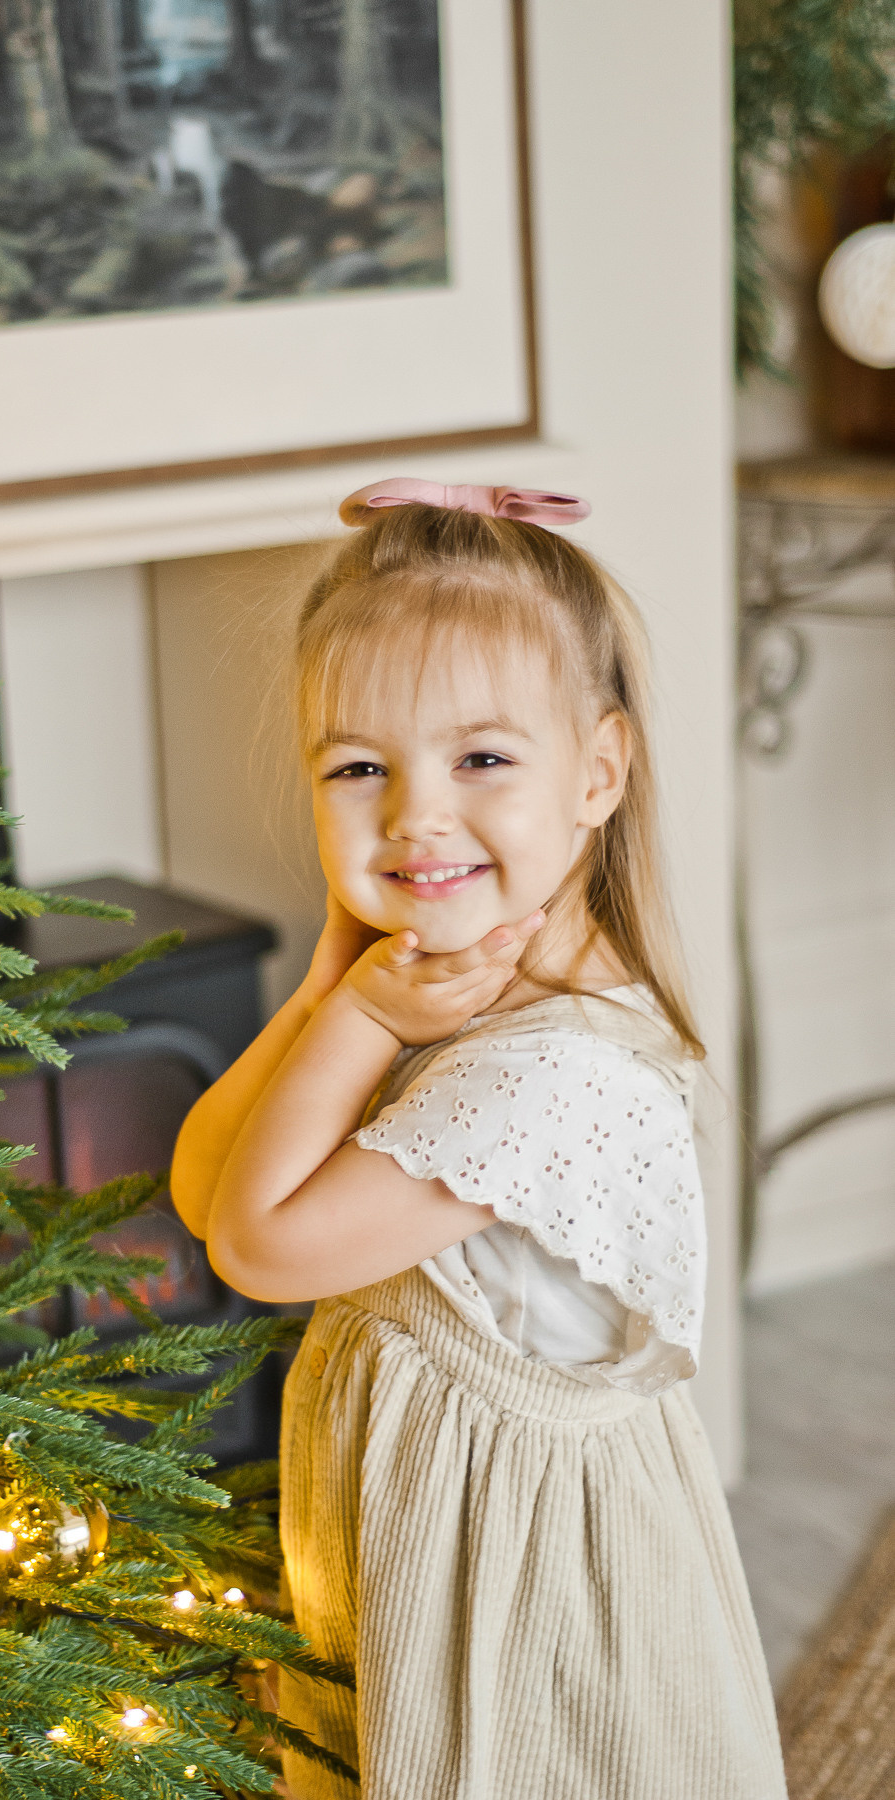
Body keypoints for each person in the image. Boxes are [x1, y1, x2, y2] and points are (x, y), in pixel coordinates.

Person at [170, 479, 786, 1800]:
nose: (414, 814)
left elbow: (258, 1244)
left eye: (483, 759)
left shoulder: (550, 1073)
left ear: (599, 772)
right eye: (357, 768)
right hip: (422, 1556)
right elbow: (204, 1175)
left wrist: (360, 1018)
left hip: (531, 1613)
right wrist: (330, 998)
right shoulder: (457, 984)